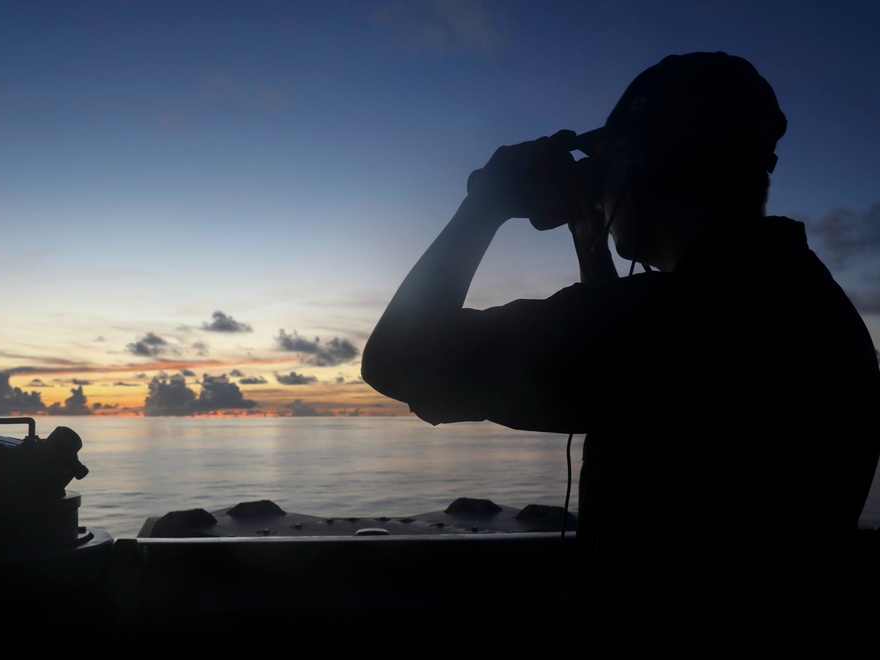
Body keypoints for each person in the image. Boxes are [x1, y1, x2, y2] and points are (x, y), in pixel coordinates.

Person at [361, 52, 880, 644]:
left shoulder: (686, 315)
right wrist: (590, 232)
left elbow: (400, 358)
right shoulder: (791, 295)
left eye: (606, 165)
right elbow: (628, 371)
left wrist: (487, 202)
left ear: (641, 158)